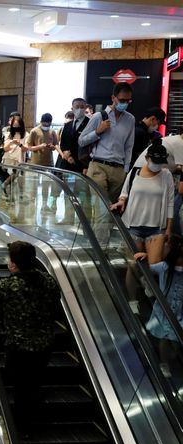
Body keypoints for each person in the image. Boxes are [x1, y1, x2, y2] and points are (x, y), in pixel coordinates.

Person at [0, 241, 61, 437]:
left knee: (20, 388)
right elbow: (55, 302)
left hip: (19, 348)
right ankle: (36, 419)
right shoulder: (48, 280)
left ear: (13, 265)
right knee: (35, 383)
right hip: (44, 345)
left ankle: (23, 429)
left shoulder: (10, 285)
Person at [110, 139, 175, 252]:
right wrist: (121, 200)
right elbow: (125, 192)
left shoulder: (166, 175)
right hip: (133, 226)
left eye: (160, 162)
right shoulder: (134, 172)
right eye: (155, 161)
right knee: (134, 265)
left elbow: (170, 203)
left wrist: (168, 228)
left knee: (153, 264)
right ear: (146, 158)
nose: (157, 165)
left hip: (157, 228)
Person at [79, 82, 136, 202]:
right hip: (98, 166)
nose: (124, 103)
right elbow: (81, 141)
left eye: (128, 101)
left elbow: (129, 146)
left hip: (118, 170)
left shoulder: (130, 119)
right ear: (113, 98)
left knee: (111, 208)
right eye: (121, 100)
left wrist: (125, 170)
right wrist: (97, 132)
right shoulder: (99, 117)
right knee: (101, 208)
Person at [135, 237, 183, 379]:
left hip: (179, 312)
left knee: (174, 339)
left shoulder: (167, 267)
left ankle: (171, 358)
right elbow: (149, 268)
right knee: (165, 338)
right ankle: (164, 362)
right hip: (164, 312)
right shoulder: (166, 267)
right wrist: (145, 256)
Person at [27, 113, 60, 211]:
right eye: (44, 124)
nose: (46, 126)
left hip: (48, 163)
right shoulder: (34, 131)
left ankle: (44, 205)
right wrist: (40, 146)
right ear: (41, 122)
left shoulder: (52, 131)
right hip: (35, 163)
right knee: (34, 185)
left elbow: (56, 146)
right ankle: (32, 204)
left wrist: (52, 147)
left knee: (46, 185)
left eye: (48, 124)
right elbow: (29, 147)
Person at [56, 97, 90, 175]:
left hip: (82, 163)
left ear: (85, 108)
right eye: (77, 107)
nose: (80, 109)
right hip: (67, 161)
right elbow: (63, 143)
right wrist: (67, 155)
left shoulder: (89, 123)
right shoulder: (68, 125)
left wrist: (86, 165)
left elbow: (88, 144)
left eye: (82, 107)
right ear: (72, 108)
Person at [0, 116, 29, 197]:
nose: (16, 128)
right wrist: (11, 142)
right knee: (15, 175)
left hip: (19, 159)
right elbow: (5, 149)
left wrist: (19, 144)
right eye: (14, 126)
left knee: (19, 176)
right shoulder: (9, 134)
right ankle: (9, 190)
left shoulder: (26, 135)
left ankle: (19, 194)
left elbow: (25, 149)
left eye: (18, 126)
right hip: (9, 158)